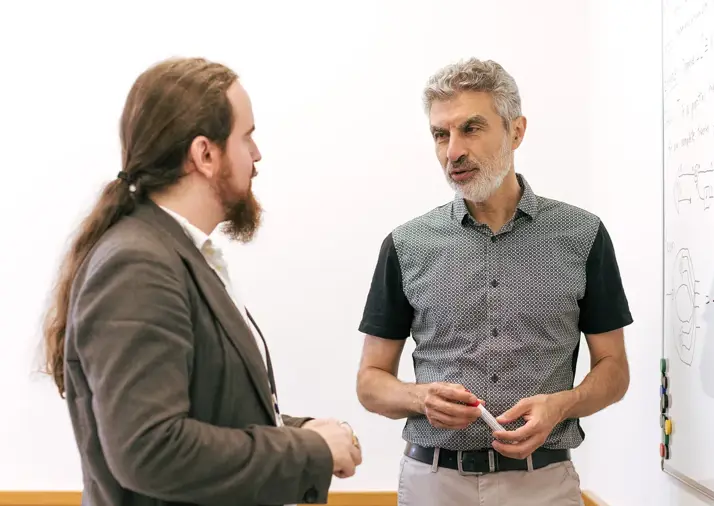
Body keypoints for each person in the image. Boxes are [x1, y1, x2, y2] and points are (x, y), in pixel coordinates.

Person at [40, 57, 361, 506]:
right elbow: (150, 450)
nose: (257, 154)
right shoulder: (137, 265)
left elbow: (210, 410)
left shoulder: (175, 253)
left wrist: (299, 431)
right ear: (205, 155)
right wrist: (309, 451)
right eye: (246, 137)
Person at [355, 57, 634, 505]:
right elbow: (370, 382)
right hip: (434, 483)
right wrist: (419, 397)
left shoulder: (583, 236)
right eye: (440, 135)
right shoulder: (406, 244)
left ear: (516, 131)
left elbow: (615, 371)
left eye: (470, 128)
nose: (453, 152)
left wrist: (561, 404)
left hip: (543, 483)